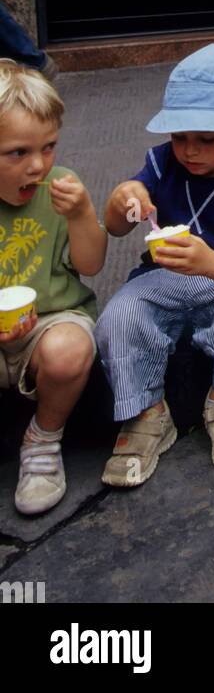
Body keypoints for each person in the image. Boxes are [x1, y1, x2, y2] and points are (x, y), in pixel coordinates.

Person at [96, 44, 214, 486]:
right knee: (118, 316)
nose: (189, 151)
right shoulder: (160, 164)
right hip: (161, 279)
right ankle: (147, 411)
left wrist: (211, 261)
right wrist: (125, 198)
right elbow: (115, 226)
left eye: (206, 139)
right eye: (180, 137)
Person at [0, 61, 105, 514]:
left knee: (69, 349)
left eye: (49, 147)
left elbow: (91, 263)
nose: (38, 165)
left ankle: (43, 438)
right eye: (17, 153)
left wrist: (81, 213)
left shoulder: (61, 187)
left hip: (49, 322)